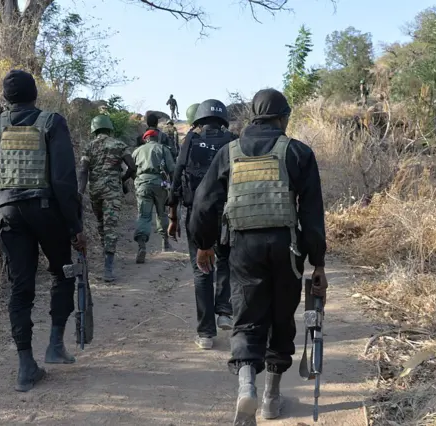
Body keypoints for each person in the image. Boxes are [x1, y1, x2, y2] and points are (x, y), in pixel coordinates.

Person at [188, 88, 328, 425]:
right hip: (287, 248)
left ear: (254, 115)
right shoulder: (297, 152)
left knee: (247, 318)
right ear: (283, 117)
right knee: (281, 320)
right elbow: (311, 212)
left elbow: (204, 203)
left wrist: (204, 244)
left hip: (243, 248)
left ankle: (246, 386)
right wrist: (317, 261)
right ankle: (270, 397)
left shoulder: (229, 152)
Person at [0, 70, 86, 392]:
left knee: (21, 288)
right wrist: (75, 226)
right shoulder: (52, 122)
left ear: (6, 98)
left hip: (9, 214)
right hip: (47, 211)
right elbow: (63, 180)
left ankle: (25, 366)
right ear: (35, 94)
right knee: (63, 274)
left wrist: (6, 195)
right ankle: (55, 347)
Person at [168, 99, 237, 350]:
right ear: (222, 119)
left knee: (201, 271)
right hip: (228, 214)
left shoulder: (191, 141)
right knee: (225, 261)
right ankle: (225, 310)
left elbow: (177, 177)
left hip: (196, 215)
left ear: (198, 120)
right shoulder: (233, 140)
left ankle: (206, 333)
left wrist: (173, 216)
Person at [77, 115, 136, 282]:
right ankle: (108, 267)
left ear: (94, 130)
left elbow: (83, 171)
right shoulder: (118, 145)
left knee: (102, 225)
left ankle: (106, 257)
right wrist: (122, 179)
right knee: (111, 226)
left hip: (95, 191)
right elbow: (132, 167)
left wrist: (79, 193)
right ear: (109, 128)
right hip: (113, 192)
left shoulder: (89, 147)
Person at [131, 126, 176, 263]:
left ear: (145, 139)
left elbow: (130, 168)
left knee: (144, 215)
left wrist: (137, 181)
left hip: (143, 184)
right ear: (157, 138)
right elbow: (172, 169)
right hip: (159, 184)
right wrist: (173, 188)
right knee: (161, 213)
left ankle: (142, 245)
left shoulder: (137, 151)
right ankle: (165, 243)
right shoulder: (163, 149)